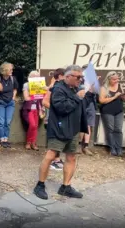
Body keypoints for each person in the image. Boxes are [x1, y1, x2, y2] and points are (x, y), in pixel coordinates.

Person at [34, 65, 87, 200]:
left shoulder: (75, 88)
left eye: (81, 77)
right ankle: (40, 185)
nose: (80, 80)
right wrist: (76, 97)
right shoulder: (58, 89)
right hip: (59, 128)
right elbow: (61, 108)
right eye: (78, 77)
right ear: (68, 76)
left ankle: (66, 187)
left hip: (73, 129)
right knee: (51, 156)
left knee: (71, 157)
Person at [42, 68, 65, 171]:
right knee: (53, 139)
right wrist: (57, 109)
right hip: (51, 119)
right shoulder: (53, 87)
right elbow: (45, 102)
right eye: (66, 75)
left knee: (59, 138)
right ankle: (54, 160)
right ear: (60, 76)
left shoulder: (65, 87)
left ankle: (56, 159)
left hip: (60, 118)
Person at [99, 71, 125, 157]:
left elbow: (123, 99)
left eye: (117, 79)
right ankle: (112, 148)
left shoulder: (120, 86)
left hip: (119, 111)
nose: (116, 81)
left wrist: (124, 97)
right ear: (109, 79)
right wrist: (114, 97)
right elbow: (102, 101)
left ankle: (119, 148)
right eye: (114, 79)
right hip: (107, 111)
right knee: (110, 130)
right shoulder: (104, 88)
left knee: (118, 129)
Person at [0, 62, 18, 148]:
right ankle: (1, 139)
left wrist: (13, 97)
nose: (12, 70)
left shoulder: (12, 79)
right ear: (5, 70)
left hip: (10, 103)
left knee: (7, 122)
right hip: (1, 102)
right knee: (1, 121)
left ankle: (6, 139)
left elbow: (15, 88)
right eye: (10, 69)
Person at [22, 71, 43, 151]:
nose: (36, 77)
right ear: (30, 77)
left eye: (37, 76)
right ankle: (28, 142)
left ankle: (33, 143)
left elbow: (43, 97)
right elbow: (26, 98)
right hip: (29, 108)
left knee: (35, 126)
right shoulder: (26, 85)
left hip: (38, 108)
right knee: (32, 125)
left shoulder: (41, 85)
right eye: (33, 76)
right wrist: (34, 93)